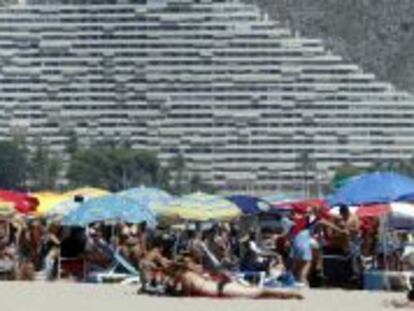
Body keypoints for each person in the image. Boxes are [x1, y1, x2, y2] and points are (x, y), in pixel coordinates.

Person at [162, 256, 303, 300]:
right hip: (222, 286)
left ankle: (290, 294)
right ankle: (288, 295)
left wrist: (172, 291)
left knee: (258, 293)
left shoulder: (186, 277)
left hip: (222, 289)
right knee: (258, 293)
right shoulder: (190, 274)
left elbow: (185, 295)